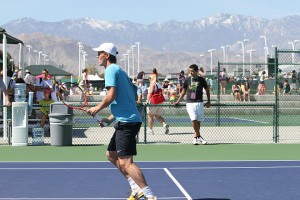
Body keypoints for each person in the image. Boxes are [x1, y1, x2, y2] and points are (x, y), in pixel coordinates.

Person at [87, 42, 157, 200]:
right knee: (111, 154)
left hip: (128, 122)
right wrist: (109, 119)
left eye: (99, 53)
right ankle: (135, 187)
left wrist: (97, 108)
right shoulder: (121, 72)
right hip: (126, 120)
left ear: (107, 55)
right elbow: (128, 98)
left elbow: (111, 96)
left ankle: (149, 194)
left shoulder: (111, 70)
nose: (97, 56)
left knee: (126, 162)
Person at [174, 64, 210, 145]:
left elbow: (207, 90)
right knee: (193, 119)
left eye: (192, 71)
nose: (191, 72)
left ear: (197, 71)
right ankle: (199, 136)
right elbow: (183, 92)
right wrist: (178, 101)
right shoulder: (187, 80)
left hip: (199, 102)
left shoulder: (202, 80)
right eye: (190, 71)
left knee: (198, 121)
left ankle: (196, 137)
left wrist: (208, 101)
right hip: (190, 103)